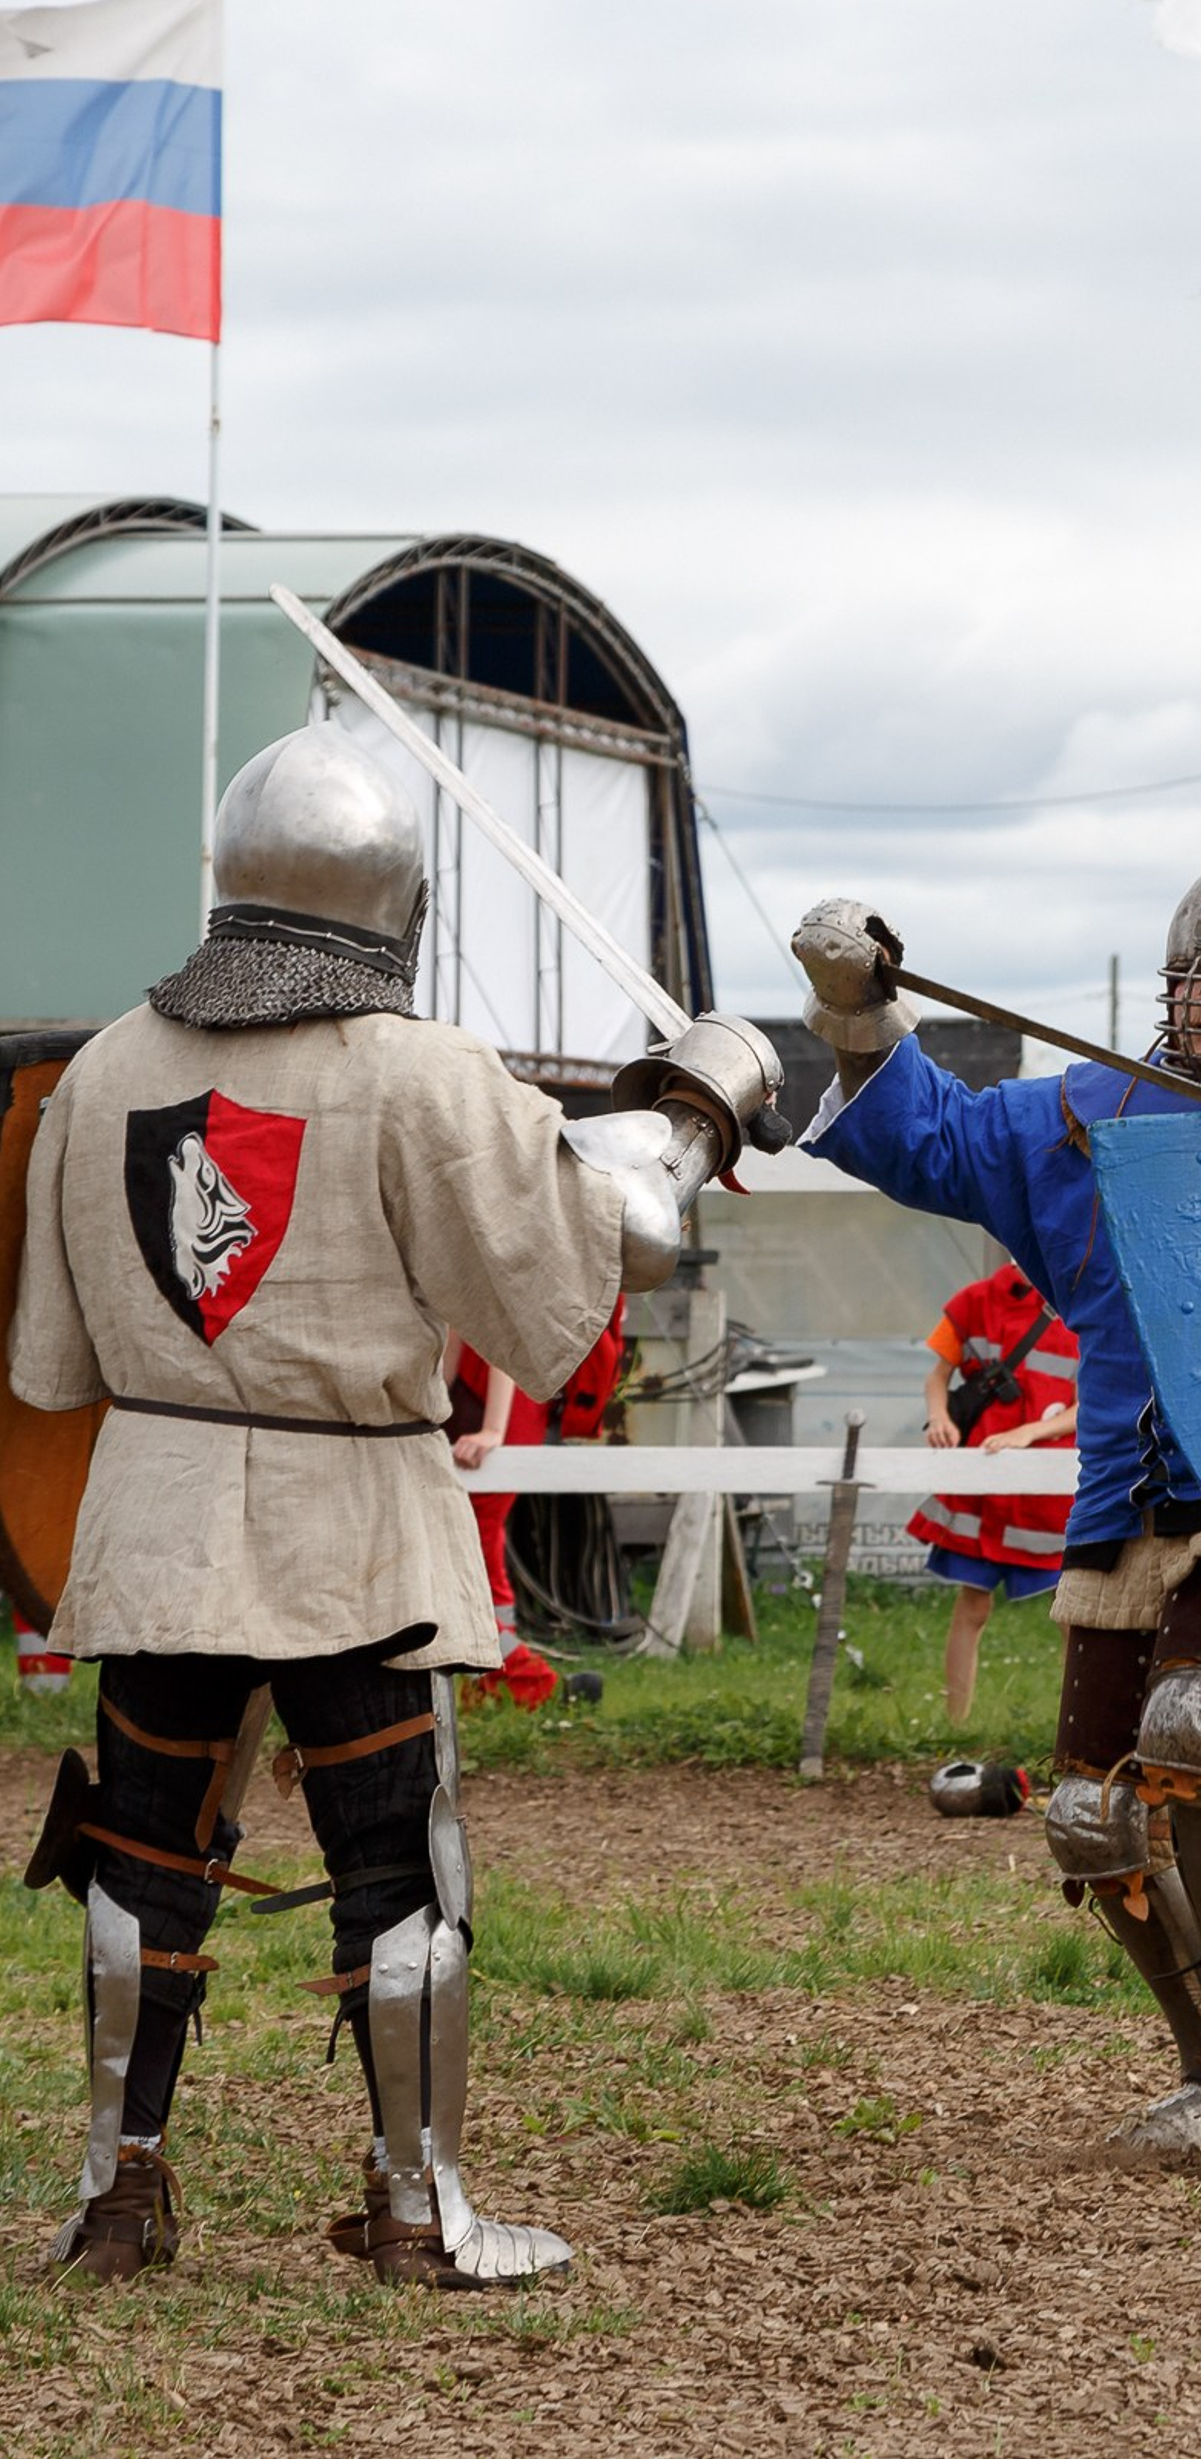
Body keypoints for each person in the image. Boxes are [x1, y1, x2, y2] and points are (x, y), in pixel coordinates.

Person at [9, 720, 776, 2286]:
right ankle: (420, 2207)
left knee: (139, 1850)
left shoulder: (101, 1072)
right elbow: (551, 1295)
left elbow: (54, 1358)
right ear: (394, 902)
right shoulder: (423, 1073)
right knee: (399, 1866)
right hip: (354, 1531)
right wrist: (692, 1122)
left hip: (158, 1520)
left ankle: (118, 2193)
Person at [794, 837, 1201, 2153]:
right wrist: (858, 1010)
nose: (1199, 1010)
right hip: (1126, 1490)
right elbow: (933, 1139)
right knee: (1091, 1813)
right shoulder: (1097, 1110)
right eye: (1188, 987)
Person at [916, 1260, 1078, 1722]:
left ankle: (1077, 1730)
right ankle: (955, 1724)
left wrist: (1032, 1431)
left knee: (1069, 1608)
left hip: (1047, 1488)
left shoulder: (1085, 1305)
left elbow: (1092, 1406)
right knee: (973, 1604)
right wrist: (939, 1416)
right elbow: (937, 1376)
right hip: (983, 1485)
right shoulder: (976, 1300)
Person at [443, 1334, 558, 1711]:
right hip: (496, 1407)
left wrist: (493, 1428)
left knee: (475, 1543)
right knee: (474, 1546)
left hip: (494, 1413)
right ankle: (492, 1684)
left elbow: (491, 1325)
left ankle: (529, 1682)